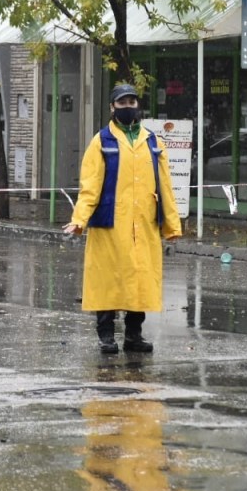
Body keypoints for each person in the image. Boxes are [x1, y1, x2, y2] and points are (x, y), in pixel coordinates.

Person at [64, 84, 182, 354]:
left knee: (139, 281)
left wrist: (172, 225)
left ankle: (134, 335)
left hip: (144, 224)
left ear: (138, 106)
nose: (128, 107)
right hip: (111, 224)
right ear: (112, 107)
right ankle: (106, 336)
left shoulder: (153, 142)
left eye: (132, 102)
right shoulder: (101, 141)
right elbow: (90, 186)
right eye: (122, 103)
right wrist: (79, 219)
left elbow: (165, 186)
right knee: (107, 280)